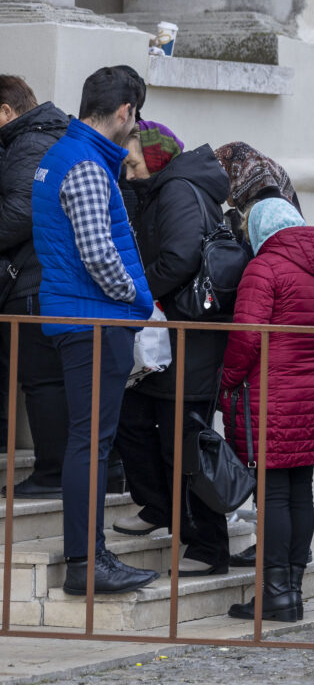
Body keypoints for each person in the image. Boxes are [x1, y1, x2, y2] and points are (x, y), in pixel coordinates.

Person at [30, 66, 157, 594]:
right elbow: (98, 252)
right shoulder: (84, 163)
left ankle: (90, 559)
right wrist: (136, 298)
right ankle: (88, 562)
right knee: (91, 445)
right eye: (137, 116)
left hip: (80, 317)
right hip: (93, 319)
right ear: (126, 111)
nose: (136, 127)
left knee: (88, 442)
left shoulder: (65, 155)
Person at [111, 123, 232, 576]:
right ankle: (159, 507)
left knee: (185, 446)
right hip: (174, 339)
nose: (130, 168)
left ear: (157, 157)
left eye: (134, 160)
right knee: (137, 422)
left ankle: (207, 546)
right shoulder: (164, 188)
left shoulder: (178, 189)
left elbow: (178, 259)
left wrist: (137, 295)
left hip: (189, 339)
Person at [220, 198, 314, 621]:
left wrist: (226, 382)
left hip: (270, 395)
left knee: (272, 495)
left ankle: (274, 593)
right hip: (311, 396)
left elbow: (247, 338)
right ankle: (291, 590)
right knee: (299, 492)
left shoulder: (264, 268)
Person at [0, 74, 70, 495]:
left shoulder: (29, 142)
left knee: (41, 381)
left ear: (7, 112)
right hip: (40, 280)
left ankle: (51, 475)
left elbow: (19, 212)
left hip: (34, 282)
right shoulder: (42, 136)